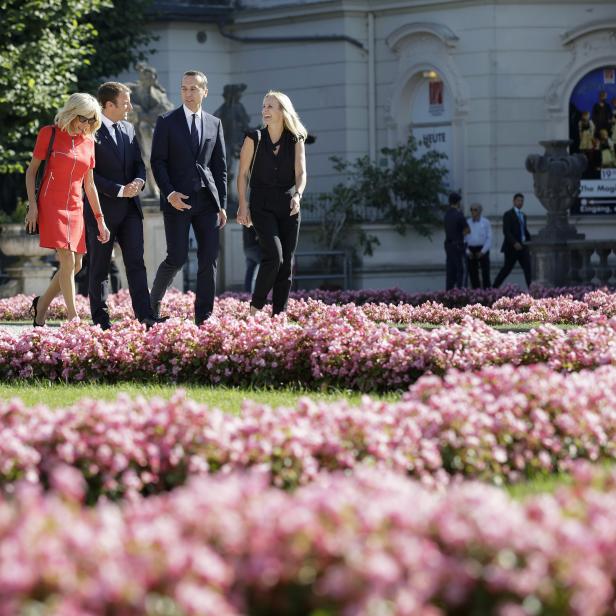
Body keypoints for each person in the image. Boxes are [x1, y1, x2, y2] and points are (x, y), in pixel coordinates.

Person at [24, 93, 110, 326]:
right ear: (72, 112)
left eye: (92, 121)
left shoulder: (89, 142)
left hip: (75, 205)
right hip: (51, 203)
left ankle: (41, 305)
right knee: (68, 262)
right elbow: (31, 172)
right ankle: (73, 318)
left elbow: (89, 184)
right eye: (83, 118)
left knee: (77, 264)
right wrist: (33, 206)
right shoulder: (49, 133)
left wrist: (100, 219)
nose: (87, 125)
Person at [149, 70, 227, 324]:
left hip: (207, 201)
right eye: (184, 88)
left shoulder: (215, 124)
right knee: (177, 257)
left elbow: (220, 168)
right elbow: (157, 162)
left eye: (193, 89)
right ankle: (152, 307)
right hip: (177, 200)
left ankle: (204, 317)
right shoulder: (166, 121)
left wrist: (222, 205)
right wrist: (170, 193)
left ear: (205, 91)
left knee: (208, 258)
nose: (188, 93)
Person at [85, 81, 161, 330]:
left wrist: (139, 180)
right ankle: (101, 321)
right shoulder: (90, 132)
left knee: (136, 263)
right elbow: (89, 175)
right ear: (109, 105)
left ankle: (146, 316)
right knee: (99, 268)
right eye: (126, 101)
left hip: (131, 210)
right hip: (102, 212)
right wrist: (119, 190)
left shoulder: (129, 128)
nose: (130, 105)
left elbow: (139, 162)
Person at [236, 90, 307, 315]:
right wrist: (242, 204)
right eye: (264, 106)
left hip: (289, 205)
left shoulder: (295, 138)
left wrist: (298, 195)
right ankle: (256, 308)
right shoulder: (253, 138)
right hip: (261, 204)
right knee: (274, 257)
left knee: (286, 263)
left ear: (282, 112)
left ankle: (280, 314)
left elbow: (301, 173)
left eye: (270, 106)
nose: (264, 110)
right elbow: (243, 174)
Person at [493, 193, 532, 288]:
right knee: (506, 269)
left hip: (523, 246)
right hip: (511, 247)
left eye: (522, 201)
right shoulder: (508, 214)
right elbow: (506, 231)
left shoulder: (523, 215)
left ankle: (532, 289)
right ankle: (494, 287)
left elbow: (523, 230)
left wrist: (529, 240)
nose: (520, 203)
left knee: (528, 268)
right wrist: (514, 242)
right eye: (518, 200)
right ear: (514, 201)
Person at [443, 192, 469, 290]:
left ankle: (449, 292)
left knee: (450, 270)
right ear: (458, 202)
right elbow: (467, 230)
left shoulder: (447, 215)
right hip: (458, 246)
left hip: (448, 246)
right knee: (460, 270)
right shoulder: (459, 215)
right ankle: (460, 293)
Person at [465, 202, 492, 288]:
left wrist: (483, 251)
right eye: (471, 210)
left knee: (485, 272)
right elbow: (463, 238)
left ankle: (487, 292)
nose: (473, 212)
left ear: (480, 211)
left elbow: (489, 238)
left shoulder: (486, 222)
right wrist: (467, 251)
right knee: (473, 273)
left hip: (482, 249)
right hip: (471, 249)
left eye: (475, 210)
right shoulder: (467, 222)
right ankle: (476, 292)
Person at [243, 225, 261, 293]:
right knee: (265, 268)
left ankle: (247, 292)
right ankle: (260, 291)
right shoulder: (255, 216)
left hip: (247, 247)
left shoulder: (245, 217)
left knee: (250, 271)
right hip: (256, 247)